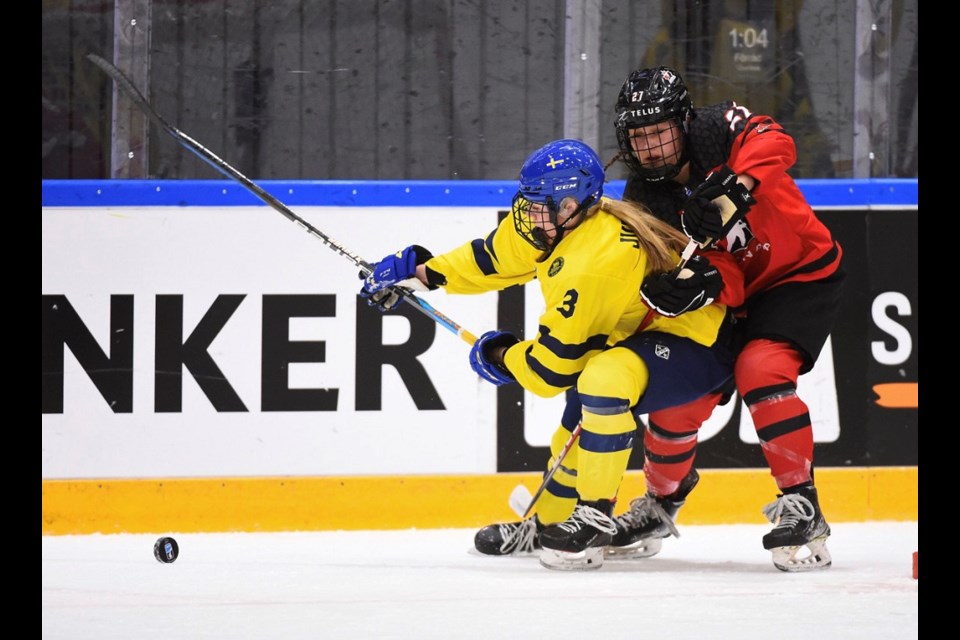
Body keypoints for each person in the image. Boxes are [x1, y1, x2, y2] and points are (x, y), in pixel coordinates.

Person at [359, 139, 734, 570]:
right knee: (581, 409)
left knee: (599, 379)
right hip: (632, 340)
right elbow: (493, 257)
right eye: (529, 202)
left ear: (571, 203)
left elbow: (549, 369)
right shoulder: (558, 223)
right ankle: (550, 524)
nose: (527, 214)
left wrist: (499, 355)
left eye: (538, 205)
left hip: (698, 346)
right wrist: (423, 274)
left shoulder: (595, 258)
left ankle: (594, 520)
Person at [605, 66, 846, 572]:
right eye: (638, 137)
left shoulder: (716, 128)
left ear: (685, 122)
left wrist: (737, 185)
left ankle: (803, 505)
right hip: (735, 297)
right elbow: (707, 270)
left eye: (660, 132)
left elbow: (777, 141)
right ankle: (660, 503)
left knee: (761, 369)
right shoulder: (644, 201)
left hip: (797, 272)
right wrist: (694, 287)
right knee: (679, 399)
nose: (650, 147)